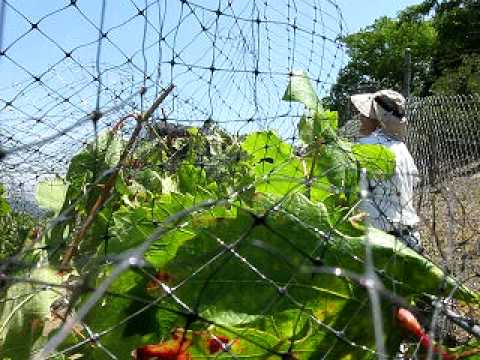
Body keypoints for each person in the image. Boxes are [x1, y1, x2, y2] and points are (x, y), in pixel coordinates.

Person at [350, 89, 422, 252]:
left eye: (364, 114)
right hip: (410, 237)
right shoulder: (401, 148)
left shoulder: (364, 148)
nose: (360, 117)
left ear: (376, 119)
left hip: (383, 242)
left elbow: (353, 192)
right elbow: (414, 182)